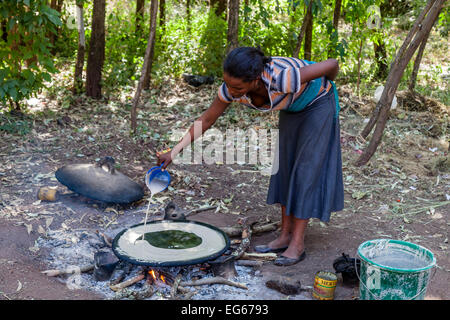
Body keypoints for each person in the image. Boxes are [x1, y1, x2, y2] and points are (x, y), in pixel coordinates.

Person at [157, 47, 344, 266]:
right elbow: (206, 120)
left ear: (256, 80)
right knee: (284, 167)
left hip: (318, 104)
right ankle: (284, 236)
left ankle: (297, 244)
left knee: (306, 170)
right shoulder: (231, 89)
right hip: (293, 108)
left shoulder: (282, 78)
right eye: (227, 84)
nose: (231, 91)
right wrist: (174, 151)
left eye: (237, 87)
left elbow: (332, 64)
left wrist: (325, 85)